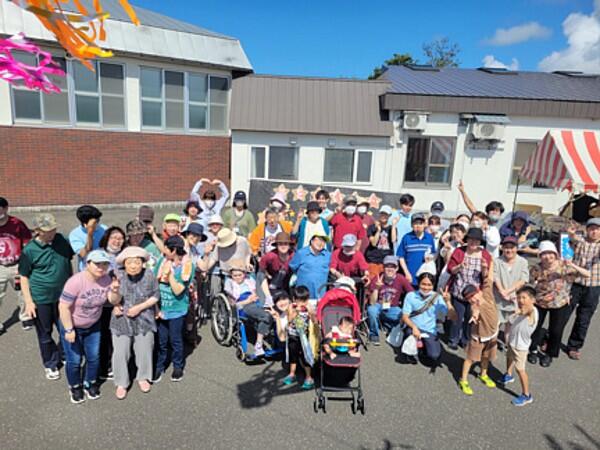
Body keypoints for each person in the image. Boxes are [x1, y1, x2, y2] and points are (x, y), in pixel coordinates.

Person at [58, 250, 118, 404]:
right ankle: (75, 386)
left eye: (104, 264)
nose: (101, 267)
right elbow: (63, 307)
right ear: (88, 264)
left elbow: (113, 300)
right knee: (74, 360)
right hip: (72, 324)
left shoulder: (106, 280)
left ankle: (90, 382)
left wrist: (115, 290)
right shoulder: (76, 281)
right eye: (97, 263)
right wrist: (69, 329)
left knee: (93, 357)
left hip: (93, 324)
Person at [19, 213, 74, 380]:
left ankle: (64, 353)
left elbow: (68, 261)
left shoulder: (62, 240)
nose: (52, 232)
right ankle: (50, 364)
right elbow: (23, 276)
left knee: (66, 328)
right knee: (45, 334)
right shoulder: (29, 250)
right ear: (37, 231)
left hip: (63, 297)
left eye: (53, 229)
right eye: (47, 230)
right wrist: (28, 301)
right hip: (41, 298)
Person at [109, 246, 159, 399]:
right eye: (130, 262)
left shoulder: (149, 275)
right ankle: (121, 382)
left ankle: (143, 376)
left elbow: (155, 296)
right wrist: (115, 296)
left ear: (142, 263)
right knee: (120, 352)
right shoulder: (118, 276)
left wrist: (140, 307)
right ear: (124, 263)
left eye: (137, 262)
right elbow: (112, 300)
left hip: (144, 318)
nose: (133, 265)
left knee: (145, 349)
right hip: (121, 319)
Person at [528, 241, 588, 367]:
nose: (547, 257)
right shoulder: (537, 268)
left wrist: (572, 265)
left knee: (556, 330)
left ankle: (549, 354)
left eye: (550, 253)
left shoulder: (564, 266)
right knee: (535, 326)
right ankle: (532, 350)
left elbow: (587, 274)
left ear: (555, 254)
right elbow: (530, 282)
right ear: (540, 255)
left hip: (559, 303)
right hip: (540, 302)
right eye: (544, 254)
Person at [154, 235, 195, 382]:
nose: (163, 250)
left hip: (177, 310)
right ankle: (159, 366)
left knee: (176, 340)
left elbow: (178, 290)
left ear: (174, 250)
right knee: (162, 341)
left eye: (166, 248)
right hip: (162, 309)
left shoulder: (187, 266)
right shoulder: (162, 260)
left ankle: (178, 366)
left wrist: (169, 274)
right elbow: (154, 280)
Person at [446, 227, 493, 349]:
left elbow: (486, 277)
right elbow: (450, 269)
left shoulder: (485, 255)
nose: (473, 243)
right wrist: (459, 267)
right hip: (459, 289)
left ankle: (465, 339)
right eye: (471, 240)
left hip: (475, 294)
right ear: (467, 240)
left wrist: (484, 268)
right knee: (457, 317)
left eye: (477, 241)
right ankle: (453, 339)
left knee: (470, 318)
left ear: (480, 242)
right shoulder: (459, 251)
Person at [401, 273, 456, 365]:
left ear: (433, 285)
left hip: (429, 330)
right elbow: (405, 316)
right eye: (423, 284)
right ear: (418, 284)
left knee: (434, 355)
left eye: (429, 285)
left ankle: (423, 347)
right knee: (409, 336)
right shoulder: (410, 295)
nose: (426, 288)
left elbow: (453, 317)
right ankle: (411, 348)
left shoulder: (437, 297)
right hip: (413, 327)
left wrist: (448, 302)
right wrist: (414, 327)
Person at [565, 218, 599, 360]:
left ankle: (574, 346)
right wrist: (571, 234)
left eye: (597, 229)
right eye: (591, 228)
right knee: (563, 313)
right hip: (575, 284)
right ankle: (550, 339)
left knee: (584, 318)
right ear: (587, 230)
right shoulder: (581, 241)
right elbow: (572, 239)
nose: (594, 231)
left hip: (593, 286)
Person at [457, 284, 499, 396]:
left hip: (492, 335)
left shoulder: (488, 296)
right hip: (478, 338)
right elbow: (475, 311)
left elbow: (488, 279)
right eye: (469, 298)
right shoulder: (474, 306)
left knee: (486, 356)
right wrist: (475, 315)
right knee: (470, 359)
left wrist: (488, 267)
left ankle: (483, 374)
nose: (472, 299)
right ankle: (463, 380)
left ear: (479, 291)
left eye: (473, 295)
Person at [224, 261, 272, 357]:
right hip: (244, 306)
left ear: (244, 274)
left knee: (272, 313)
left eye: (240, 275)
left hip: (256, 302)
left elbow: (257, 292)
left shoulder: (249, 280)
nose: (237, 278)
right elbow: (233, 305)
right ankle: (258, 345)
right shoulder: (229, 284)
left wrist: (256, 295)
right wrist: (247, 301)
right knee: (266, 316)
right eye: (235, 276)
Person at [97, 226, 126, 381]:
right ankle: (103, 366)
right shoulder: (99, 255)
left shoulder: (125, 255)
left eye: (120, 238)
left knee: (119, 335)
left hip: (122, 301)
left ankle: (119, 364)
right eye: (114, 237)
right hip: (102, 303)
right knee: (104, 336)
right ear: (107, 238)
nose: (117, 241)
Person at [501, 286, 538, 406]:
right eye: (519, 297)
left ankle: (526, 395)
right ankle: (508, 374)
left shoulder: (533, 312)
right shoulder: (521, 309)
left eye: (524, 297)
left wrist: (519, 311)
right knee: (509, 357)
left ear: (533, 300)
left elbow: (528, 312)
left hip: (521, 347)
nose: (521, 300)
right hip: (513, 341)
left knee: (520, 369)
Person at [0, 196, 33, 333]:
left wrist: (26, 262)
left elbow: (27, 242)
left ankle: (25, 317)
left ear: (6, 209)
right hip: (0, 266)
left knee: (22, 292)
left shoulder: (17, 223)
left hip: (16, 265)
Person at [367, 255, 413, 345]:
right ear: (383, 268)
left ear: (397, 268)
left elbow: (411, 294)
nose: (390, 269)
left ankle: (388, 326)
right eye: (387, 266)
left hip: (393, 307)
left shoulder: (400, 278)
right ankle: (374, 334)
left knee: (404, 316)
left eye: (393, 267)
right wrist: (376, 288)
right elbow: (372, 303)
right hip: (378, 306)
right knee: (371, 310)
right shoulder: (377, 278)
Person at [493, 236, 529, 350]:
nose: (509, 250)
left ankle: (508, 345)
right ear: (502, 248)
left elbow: (523, 280)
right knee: (495, 323)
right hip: (498, 298)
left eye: (512, 247)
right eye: (506, 248)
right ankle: (491, 346)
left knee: (510, 324)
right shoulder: (497, 261)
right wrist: (502, 291)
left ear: (516, 248)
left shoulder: (523, 262)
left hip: (514, 299)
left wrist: (508, 292)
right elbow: (495, 277)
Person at [276, 286, 316, 389]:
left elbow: (315, 321)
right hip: (292, 334)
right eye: (300, 300)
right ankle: (292, 373)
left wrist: (310, 312)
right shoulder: (291, 307)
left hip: (304, 336)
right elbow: (289, 319)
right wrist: (296, 311)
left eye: (305, 300)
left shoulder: (309, 306)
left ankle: (308, 377)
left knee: (305, 356)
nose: (302, 303)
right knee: (293, 355)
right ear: (294, 299)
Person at [396, 213, 436, 287]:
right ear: (411, 225)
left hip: (425, 279)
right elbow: (401, 257)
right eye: (415, 223)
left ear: (424, 225)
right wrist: (406, 273)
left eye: (420, 223)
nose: (418, 226)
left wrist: (430, 257)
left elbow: (434, 254)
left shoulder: (429, 238)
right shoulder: (406, 237)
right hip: (410, 276)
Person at [289, 234, 331, 303]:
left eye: (324, 241)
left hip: (320, 294)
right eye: (319, 240)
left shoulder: (328, 255)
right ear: (311, 241)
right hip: (303, 294)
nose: (321, 243)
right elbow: (293, 267)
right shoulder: (301, 253)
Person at [259, 232, 294, 305]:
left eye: (286, 244)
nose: (283, 246)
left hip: (289, 282)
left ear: (289, 245)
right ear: (277, 245)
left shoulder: (293, 255)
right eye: (280, 244)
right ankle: (268, 298)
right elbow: (261, 269)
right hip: (273, 281)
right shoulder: (270, 256)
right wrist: (267, 275)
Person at [69, 205, 107, 272]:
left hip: (105, 269)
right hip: (87, 272)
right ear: (85, 224)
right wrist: (90, 234)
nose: (98, 223)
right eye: (95, 221)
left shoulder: (104, 229)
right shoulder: (74, 234)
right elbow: (84, 254)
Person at [365, 205, 396, 278]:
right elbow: (373, 243)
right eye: (382, 214)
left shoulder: (392, 229)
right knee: (371, 282)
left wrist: (394, 225)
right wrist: (378, 231)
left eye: (386, 214)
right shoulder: (372, 227)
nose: (383, 216)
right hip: (373, 260)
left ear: (389, 215)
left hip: (386, 261)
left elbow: (393, 240)